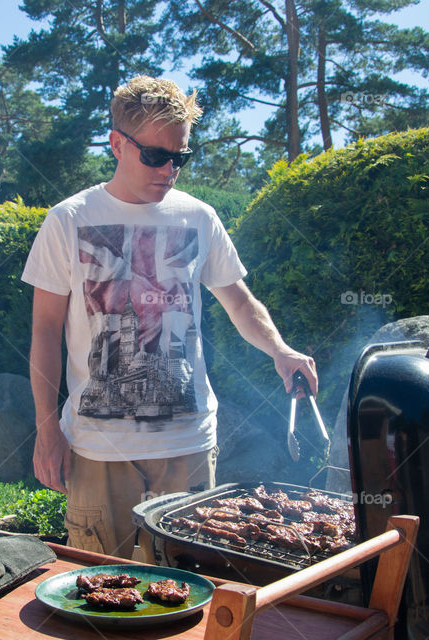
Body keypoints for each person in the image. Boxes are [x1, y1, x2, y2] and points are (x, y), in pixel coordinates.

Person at [21, 76, 317, 560]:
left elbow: (238, 301)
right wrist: (46, 428)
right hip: (98, 448)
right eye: (156, 156)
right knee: (97, 597)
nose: (169, 170)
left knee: (188, 596)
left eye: (180, 157)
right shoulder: (68, 220)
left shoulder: (198, 217)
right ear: (117, 144)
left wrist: (280, 351)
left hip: (188, 444)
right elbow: (45, 331)